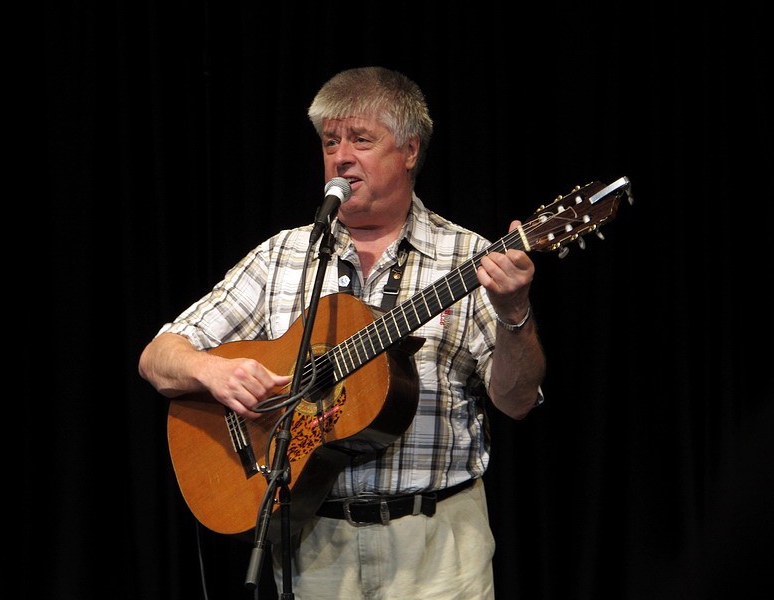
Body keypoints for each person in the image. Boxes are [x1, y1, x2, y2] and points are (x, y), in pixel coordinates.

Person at [139, 66, 546, 599]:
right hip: (313, 546)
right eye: (331, 142)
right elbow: (158, 357)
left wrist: (514, 312)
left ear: (410, 150)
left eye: (361, 139)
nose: (341, 156)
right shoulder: (283, 256)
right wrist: (210, 370)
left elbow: (517, 401)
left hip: (437, 549)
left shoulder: (468, 257)